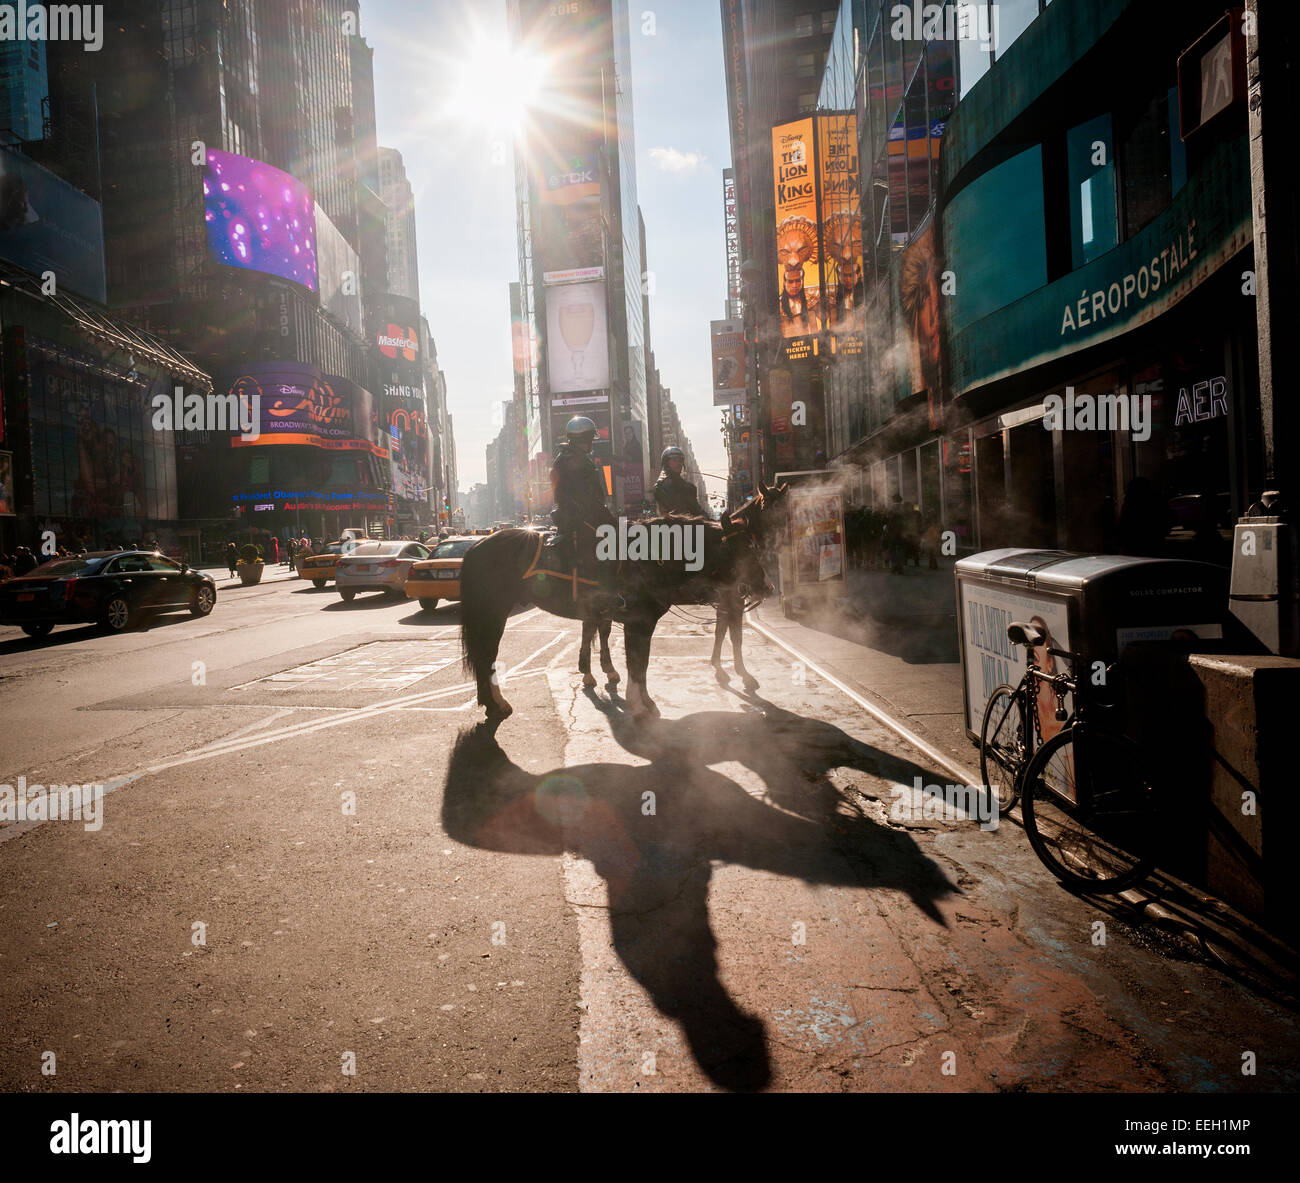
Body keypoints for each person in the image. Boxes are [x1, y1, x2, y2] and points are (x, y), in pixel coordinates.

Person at [550, 416, 620, 612]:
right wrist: (609, 519)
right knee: (612, 544)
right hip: (577, 516)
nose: (592, 443)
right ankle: (607, 594)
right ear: (583, 438)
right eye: (590, 438)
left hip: (576, 513)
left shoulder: (571, 457)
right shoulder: (574, 460)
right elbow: (587, 497)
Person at [652, 447, 703, 516]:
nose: (678, 463)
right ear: (666, 463)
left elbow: (697, 510)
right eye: (674, 460)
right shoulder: (660, 486)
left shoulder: (689, 487)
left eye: (680, 461)